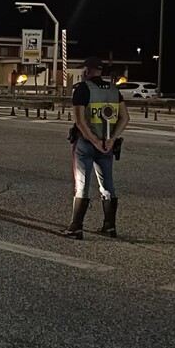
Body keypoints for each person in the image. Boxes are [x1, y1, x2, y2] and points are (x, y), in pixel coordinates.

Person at [63, 56, 130, 239]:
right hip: (107, 144)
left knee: (82, 185)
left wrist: (93, 140)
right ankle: (109, 227)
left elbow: (80, 121)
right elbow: (125, 118)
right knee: (107, 184)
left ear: (86, 71)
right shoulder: (114, 90)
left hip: (86, 144)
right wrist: (111, 139)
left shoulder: (83, 89)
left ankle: (76, 228)